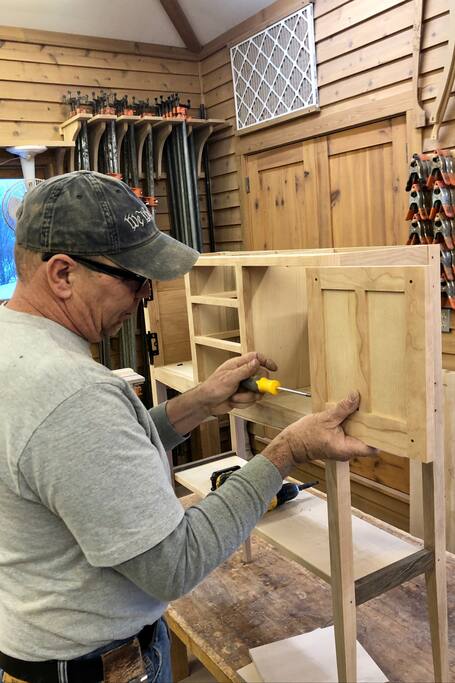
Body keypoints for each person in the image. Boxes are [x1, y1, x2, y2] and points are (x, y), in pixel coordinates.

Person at [0, 171, 377, 683]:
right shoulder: (73, 394)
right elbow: (173, 565)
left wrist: (199, 402)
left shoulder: (15, 344)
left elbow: (91, 461)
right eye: (134, 278)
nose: (145, 295)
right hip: (97, 666)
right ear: (63, 274)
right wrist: (286, 451)